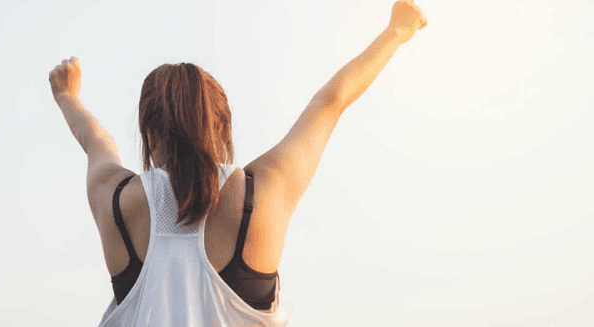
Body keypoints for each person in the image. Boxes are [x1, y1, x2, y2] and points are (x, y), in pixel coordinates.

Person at [48, 1, 427, 325]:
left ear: (148, 133)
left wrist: (67, 96)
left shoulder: (116, 201)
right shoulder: (264, 193)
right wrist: (396, 31)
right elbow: (330, 102)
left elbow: (96, 140)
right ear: (223, 128)